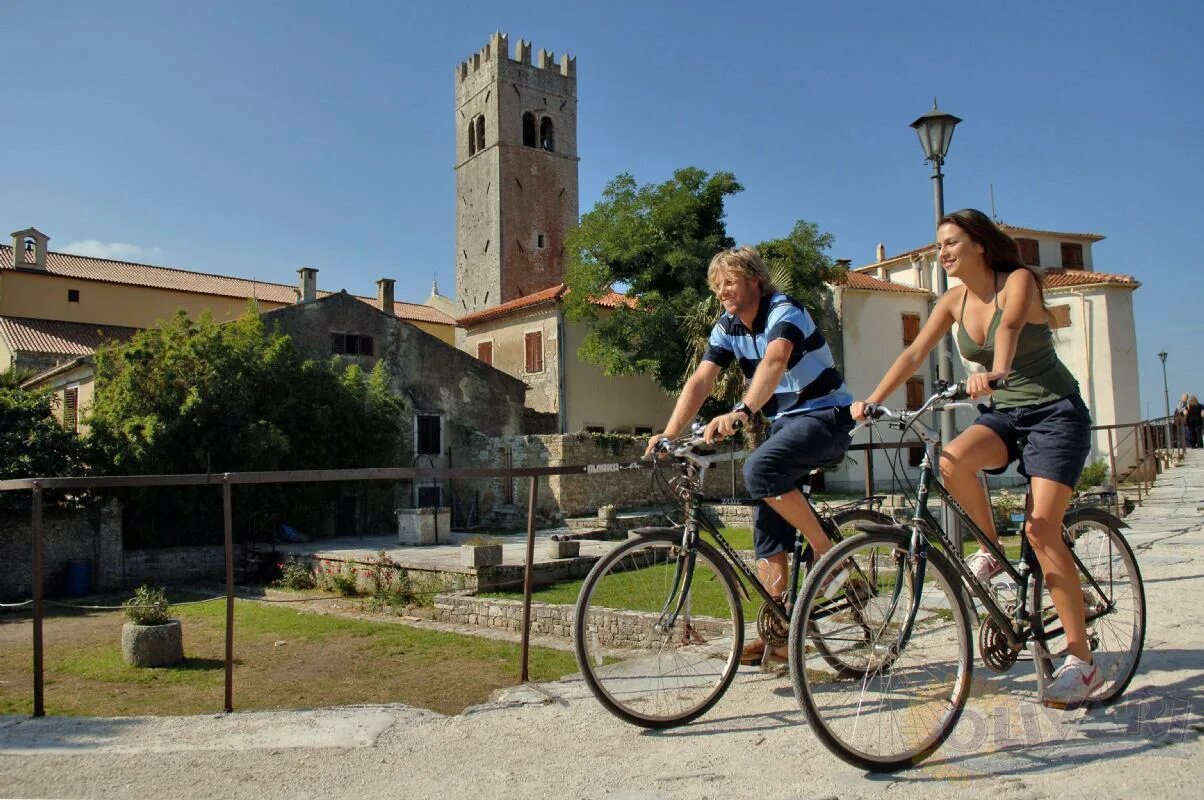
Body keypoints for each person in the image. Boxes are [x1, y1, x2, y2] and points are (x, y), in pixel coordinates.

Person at [851, 208, 1098, 708]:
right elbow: (914, 353)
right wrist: (873, 399)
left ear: (979, 245)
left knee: (1041, 529)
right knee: (951, 461)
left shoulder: (1019, 281)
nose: (942, 253)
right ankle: (992, 553)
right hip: (1007, 416)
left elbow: (1007, 328)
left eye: (950, 243)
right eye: (938, 245)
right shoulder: (952, 300)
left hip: (1055, 414)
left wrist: (997, 372)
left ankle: (1082, 660)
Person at [645, 246, 855, 665]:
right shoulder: (727, 327)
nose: (722, 290)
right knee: (766, 523)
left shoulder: (786, 311)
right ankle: (777, 637)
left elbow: (776, 360)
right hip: (785, 426)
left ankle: (828, 554)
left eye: (729, 282)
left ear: (754, 280)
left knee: (759, 468)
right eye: (716, 285)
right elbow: (702, 379)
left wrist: (742, 410)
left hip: (826, 416)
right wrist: (669, 433)